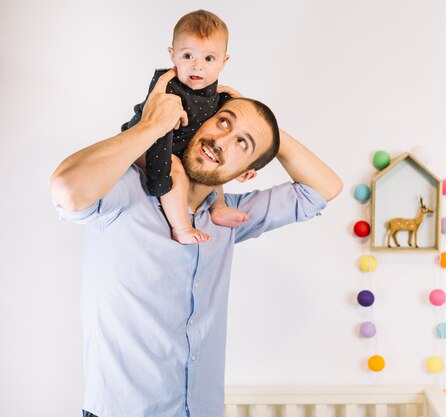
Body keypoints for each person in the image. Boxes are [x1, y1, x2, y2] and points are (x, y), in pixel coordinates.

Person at [50, 69, 343, 417]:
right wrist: (150, 127)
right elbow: (67, 190)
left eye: (243, 144)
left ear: (246, 171)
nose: (222, 141)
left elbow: (324, 189)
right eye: (223, 122)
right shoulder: (128, 191)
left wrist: (265, 128)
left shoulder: (228, 218)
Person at [123, 9, 248, 245]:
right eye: (188, 56)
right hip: (146, 143)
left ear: (224, 61)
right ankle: (181, 227)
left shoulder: (218, 95)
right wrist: (160, 180)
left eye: (208, 59)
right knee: (178, 168)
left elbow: (239, 131)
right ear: (173, 55)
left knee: (212, 160)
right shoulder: (168, 88)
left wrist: (244, 167)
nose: (197, 66)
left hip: (179, 147)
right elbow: (160, 136)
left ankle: (218, 207)